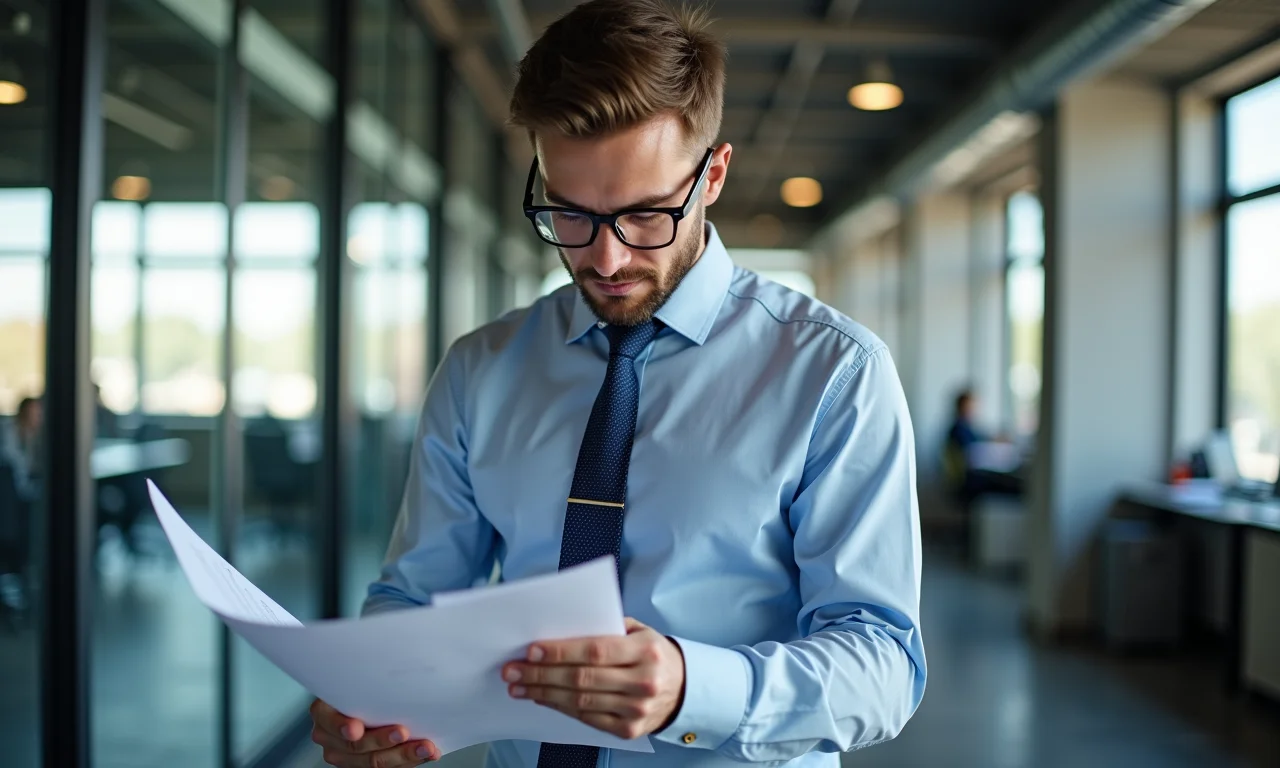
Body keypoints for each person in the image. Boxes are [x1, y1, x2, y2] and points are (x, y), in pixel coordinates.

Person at [310, 2, 925, 766]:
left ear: (714, 175)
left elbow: (884, 664)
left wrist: (693, 686)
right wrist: (372, 696)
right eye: (569, 213)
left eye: (643, 215)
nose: (604, 259)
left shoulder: (834, 373)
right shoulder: (480, 369)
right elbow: (415, 601)